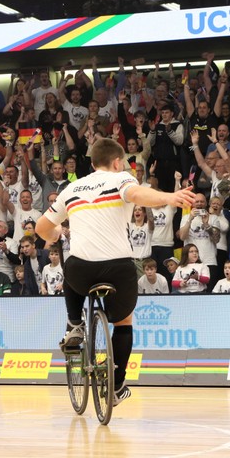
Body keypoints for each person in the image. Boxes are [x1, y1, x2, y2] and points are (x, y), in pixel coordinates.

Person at [36, 138, 195, 406]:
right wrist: (170, 197)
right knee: (123, 323)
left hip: (81, 271)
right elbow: (137, 195)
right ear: (118, 162)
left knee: (71, 264)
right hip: (118, 270)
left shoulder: (71, 188)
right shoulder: (120, 179)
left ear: (93, 163)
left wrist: (53, 234)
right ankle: (116, 386)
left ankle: (74, 324)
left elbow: (42, 227)